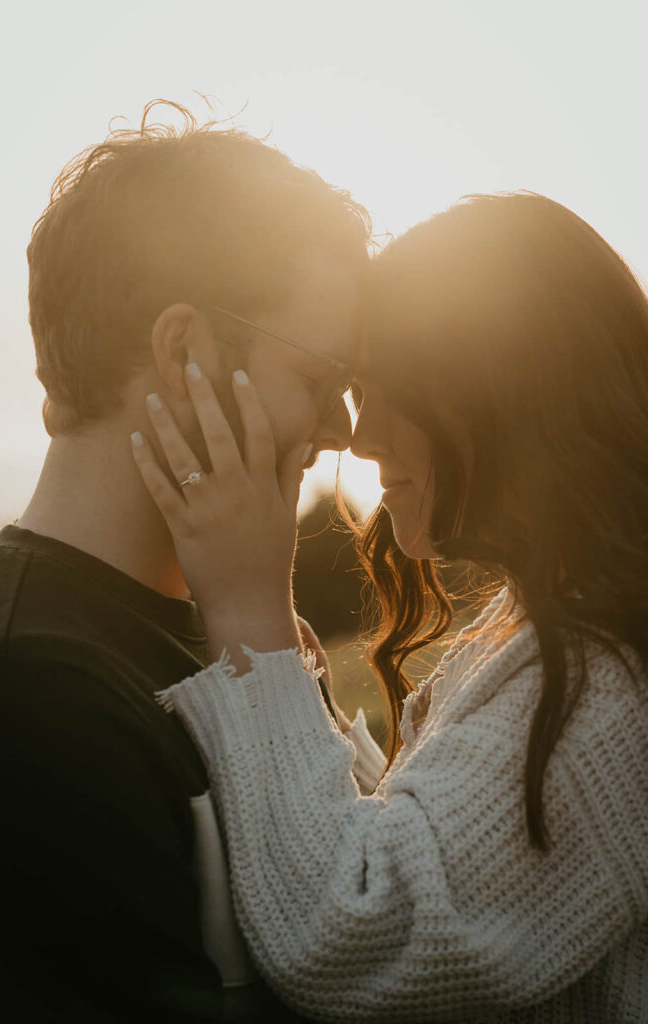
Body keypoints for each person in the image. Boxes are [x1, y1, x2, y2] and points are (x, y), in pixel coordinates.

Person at [132, 192, 648, 1022]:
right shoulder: (556, 630)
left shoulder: (606, 682)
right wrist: (301, 693)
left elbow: (356, 934)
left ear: (504, 392)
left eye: (387, 391)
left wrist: (246, 615)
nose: (361, 438)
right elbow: (435, 843)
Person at [0, 100, 375, 1022]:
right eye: (318, 379)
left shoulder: (245, 628)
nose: (343, 427)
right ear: (184, 348)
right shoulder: (23, 692)